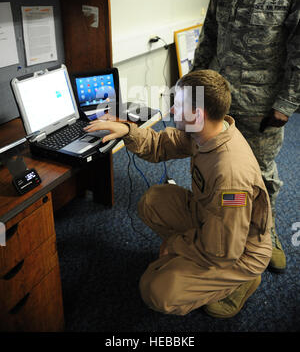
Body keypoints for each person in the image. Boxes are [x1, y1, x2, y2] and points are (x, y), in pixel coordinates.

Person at [85, 69, 272, 318]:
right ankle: (193, 265)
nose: (172, 111)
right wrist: (128, 131)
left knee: (156, 291)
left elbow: (224, 251)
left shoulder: (230, 176)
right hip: (213, 221)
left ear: (197, 114)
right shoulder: (208, 131)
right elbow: (162, 144)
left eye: (178, 104)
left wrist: (175, 245)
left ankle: (239, 282)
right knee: (153, 201)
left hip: (238, 252)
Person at [192, 0, 300, 273]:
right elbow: (208, 38)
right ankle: (229, 227)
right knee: (225, 170)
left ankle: (264, 233)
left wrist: (286, 103)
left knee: (260, 173)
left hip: (262, 106)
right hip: (222, 101)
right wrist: (192, 88)